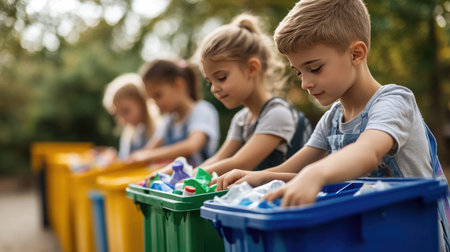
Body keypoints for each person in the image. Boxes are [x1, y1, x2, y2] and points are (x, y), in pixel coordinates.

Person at [215, 1, 449, 250]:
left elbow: (367, 152)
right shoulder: (332, 118)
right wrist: (258, 177)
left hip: (415, 237)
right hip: (366, 237)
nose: (305, 83)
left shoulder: (394, 101)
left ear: (356, 54)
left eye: (314, 68)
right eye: (299, 72)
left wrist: (316, 174)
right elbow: (296, 172)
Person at [195, 14, 312, 176]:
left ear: (252, 68)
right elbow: (218, 159)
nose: (214, 88)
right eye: (210, 82)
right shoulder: (242, 119)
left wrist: (185, 177)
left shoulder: (277, 113)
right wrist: (176, 173)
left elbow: (240, 162)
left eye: (221, 78)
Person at [127, 59, 220, 168]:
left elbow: (191, 146)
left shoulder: (202, 110)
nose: (156, 103)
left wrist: (147, 155)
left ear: (179, 84)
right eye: (151, 99)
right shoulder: (168, 120)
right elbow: (150, 149)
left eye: (158, 95)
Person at [103, 73, 156, 159]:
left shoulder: (158, 130)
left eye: (125, 111)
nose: (122, 119)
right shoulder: (129, 136)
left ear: (142, 103)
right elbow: (126, 160)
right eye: (118, 113)